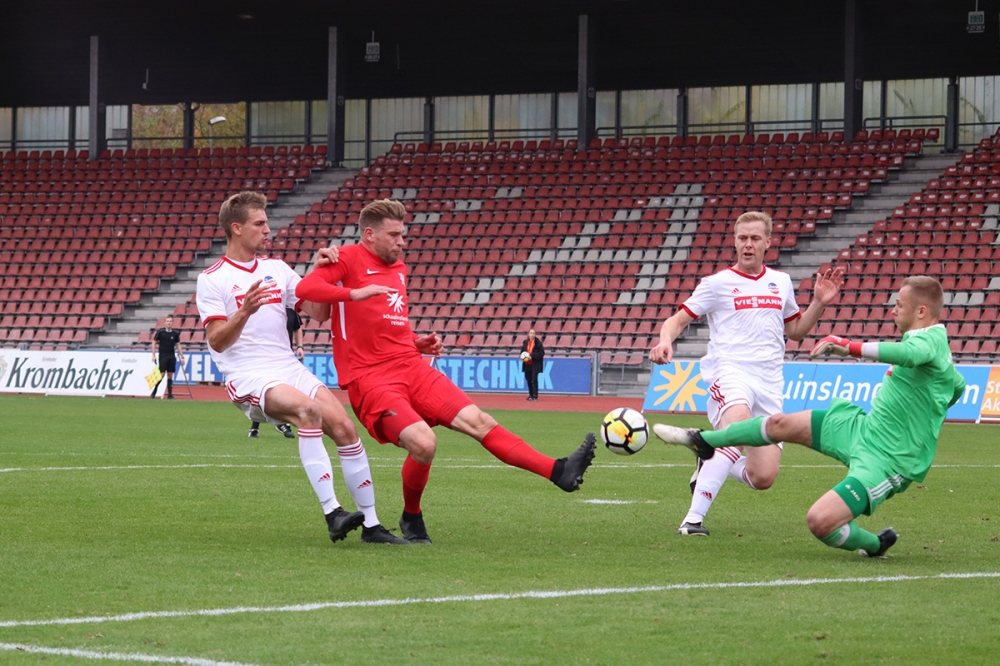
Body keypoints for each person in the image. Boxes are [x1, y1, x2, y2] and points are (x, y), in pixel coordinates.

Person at [296, 198, 596, 544]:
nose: (401, 242)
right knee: (424, 444)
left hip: (411, 365)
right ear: (369, 235)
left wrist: (415, 342)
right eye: (394, 235)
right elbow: (305, 290)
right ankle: (412, 515)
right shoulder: (346, 258)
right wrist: (354, 293)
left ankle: (558, 470)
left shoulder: (399, 269)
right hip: (371, 378)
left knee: (479, 421)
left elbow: (385, 322)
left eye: (402, 234)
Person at [653, 276, 965, 558]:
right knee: (779, 424)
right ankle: (702, 440)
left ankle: (875, 544)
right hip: (861, 429)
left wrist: (848, 347)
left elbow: (908, 356)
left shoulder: (929, 341)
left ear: (921, 311)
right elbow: (958, 386)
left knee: (820, 522)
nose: (893, 310)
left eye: (899, 304)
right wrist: (934, 407)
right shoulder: (935, 349)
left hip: (888, 460)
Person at [196, 191, 407, 545]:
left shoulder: (277, 269)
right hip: (248, 374)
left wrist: (324, 272)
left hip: (287, 366)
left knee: (344, 427)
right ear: (236, 228)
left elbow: (318, 311)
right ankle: (333, 513)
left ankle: (372, 526)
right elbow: (216, 340)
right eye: (259, 223)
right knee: (308, 411)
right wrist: (245, 311)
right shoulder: (212, 278)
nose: (268, 229)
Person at [649, 211, 844, 537]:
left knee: (762, 477)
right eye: (742, 238)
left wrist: (820, 303)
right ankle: (692, 520)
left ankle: (708, 455)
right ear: (735, 241)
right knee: (737, 429)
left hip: (769, 381)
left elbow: (796, 331)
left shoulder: (781, 282)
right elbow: (677, 319)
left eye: (755, 238)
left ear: (768, 242)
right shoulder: (717, 283)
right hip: (730, 371)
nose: (748, 244)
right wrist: (664, 340)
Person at [249, 306, 302, 439]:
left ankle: (282, 424)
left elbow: (297, 328)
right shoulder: (268, 309)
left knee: (287, 390)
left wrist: (300, 346)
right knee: (262, 389)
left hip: (286, 357)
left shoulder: (291, 310)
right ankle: (255, 426)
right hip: (267, 355)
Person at [151, 315, 184, 399]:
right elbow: (154, 342)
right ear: (165, 323)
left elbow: (178, 345)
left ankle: (170, 395)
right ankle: (154, 391)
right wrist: (153, 355)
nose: (169, 323)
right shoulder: (160, 332)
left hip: (171, 356)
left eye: (170, 321)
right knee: (162, 374)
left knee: (170, 375)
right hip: (163, 355)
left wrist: (182, 356)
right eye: (167, 321)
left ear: (172, 323)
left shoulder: (175, 334)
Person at [519, 328, 544, 401]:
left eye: (533, 333)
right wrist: (521, 357)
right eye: (531, 333)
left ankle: (535, 395)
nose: (532, 334)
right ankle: (531, 395)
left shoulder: (538, 343)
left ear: (535, 335)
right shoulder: (525, 343)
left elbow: (541, 353)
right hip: (527, 364)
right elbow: (522, 352)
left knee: (534, 379)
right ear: (528, 334)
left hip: (535, 364)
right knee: (528, 379)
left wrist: (532, 356)